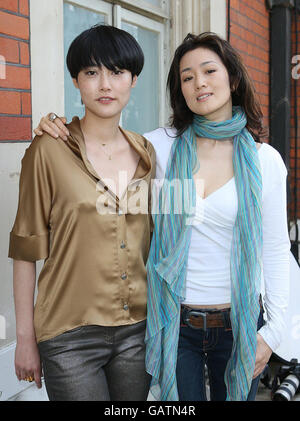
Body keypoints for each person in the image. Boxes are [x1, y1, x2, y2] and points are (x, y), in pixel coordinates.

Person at [34, 32, 290, 401]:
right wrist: (55, 127)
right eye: (187, 77)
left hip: (242, 325)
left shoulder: (265, 161)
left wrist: (274, 333)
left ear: (232, 78)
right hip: (175, 323)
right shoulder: (160, 148)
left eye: (208, 71)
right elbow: (102, 144)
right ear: (180, 90)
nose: (198, 83)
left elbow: (277, 249)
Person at [9, 24, 156, 401]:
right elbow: (26, 250)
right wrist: (25, 339)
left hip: (136, 331)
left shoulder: (147, 154)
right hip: (69, 335)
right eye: (92, 73)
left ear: (134, 79)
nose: (105, 84)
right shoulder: (48, 150)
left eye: (117, 72)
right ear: (76, 80)